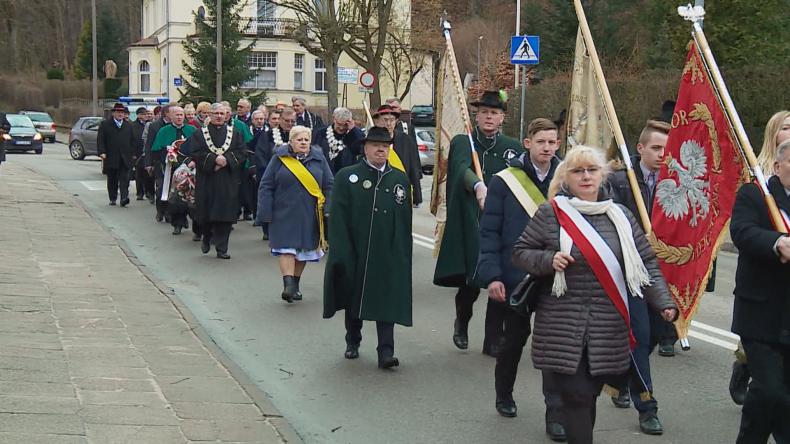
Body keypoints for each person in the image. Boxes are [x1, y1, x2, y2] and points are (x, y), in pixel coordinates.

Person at [511, 146, 678, 444]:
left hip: (606, 326)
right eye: (578, 171)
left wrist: (663, 303)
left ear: (603, 175)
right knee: (575, 396)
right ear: (567, 178)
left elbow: (646, 262)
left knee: (587, 397)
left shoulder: (621, 216)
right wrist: (549, 260)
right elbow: (521, 253)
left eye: (592, 170)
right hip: (562, 325)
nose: (586, 176)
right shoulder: (551, 213)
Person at [476, 118, 565, 441]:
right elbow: (489, 232)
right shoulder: (504, 181)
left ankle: (554, 413)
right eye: (541, 142)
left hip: (556, 276)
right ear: (527, 143)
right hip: (516, 276)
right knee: (513, 342)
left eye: (552, 142)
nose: (547, 148)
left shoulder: (565, 179)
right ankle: (504, 393)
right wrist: (492, 277)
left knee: (553, 348)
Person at [434, 90, 524, 357]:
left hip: (503, 224)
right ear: (476, 115)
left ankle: (493, 339)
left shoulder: (513, 148)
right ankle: (462, 321)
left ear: (502, 118)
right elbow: (461, 169)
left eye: (494, 113)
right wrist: (478, 186)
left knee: (501, 281)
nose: (488, 117)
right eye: (484, 112)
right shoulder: (465, 142)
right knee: (472, 282)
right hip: (473, 219)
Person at [323, 126, 413, 369]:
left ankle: (386, 351)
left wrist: (403, 254)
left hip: (387, 251)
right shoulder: (347, 176)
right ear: (365, 147)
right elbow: (339, 218)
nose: (381, 149)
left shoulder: (399, 179)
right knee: (355, 298)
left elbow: (404, 223)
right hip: (356, 248)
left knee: (387, 301)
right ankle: (353, 339)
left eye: (385, 145)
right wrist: (341, 251)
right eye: (375, 145)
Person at [606, 119, 672, 434]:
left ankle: (618, 379)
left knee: (658, 335)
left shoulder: (676, 183)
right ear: (641, 148)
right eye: (657, 148)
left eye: (667, 149)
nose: (663, 155)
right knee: (641, 337)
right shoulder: (620, 181)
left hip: (664, 275)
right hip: (631, 273)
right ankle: (647, 406)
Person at [730, 139, 790, 444]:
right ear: (778, 167)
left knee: (768, 395)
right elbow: (742, 231)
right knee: (772, 391)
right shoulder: (755, 195)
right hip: (760, 313)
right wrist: (776, 242)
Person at [257, 125, 333, 302]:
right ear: (291, 142)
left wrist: (329, 207)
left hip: (310, 214)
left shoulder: (318, 159)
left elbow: (329, 184)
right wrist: (265, 212)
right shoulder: (279, 159)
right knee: (286, 249)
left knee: (303, 250)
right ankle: (288, 285)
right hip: (283, 212)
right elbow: (266, 185)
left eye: (306, 139)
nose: (303, 142)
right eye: (299, 139)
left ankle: (295, 284)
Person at [188, 103, 248, 259]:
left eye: (222, 113)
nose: (219, 116)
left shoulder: (235, 133)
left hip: (228, 179)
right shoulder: (200, 134)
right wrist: (214, 160)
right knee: (207, 213)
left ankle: (222, 248)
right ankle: (206, 237)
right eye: (216, 113)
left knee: (225, 214)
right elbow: (195, 152)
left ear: (227, 115)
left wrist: (226, 160)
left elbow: (242, 153)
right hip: (207, 179)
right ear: (210, 114)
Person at [150, 106, 197, 235]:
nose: (179, 117)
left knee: (191, 197)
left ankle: (195, 224)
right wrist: (168, 157)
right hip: (171, 168)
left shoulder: (192, 130)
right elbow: (156, 149)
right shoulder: (164, 131)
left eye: (181, 115)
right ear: (170, 116)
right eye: (176, 115)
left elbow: (198, 148)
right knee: (176, 198)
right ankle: (177, 223)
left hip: (190, 169)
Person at [255, 108, 295, 240]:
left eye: (292, 121)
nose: (289, 123)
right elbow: (260, 154)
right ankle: (267, 229)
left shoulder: (298, 136)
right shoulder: (268, 135)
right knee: (270, 203)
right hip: (272, 175)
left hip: (293, 177)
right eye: (287, 120)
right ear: (280, 120)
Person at [373, 104, 422, 205]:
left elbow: (413, 166)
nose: (389, 123)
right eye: (385, 120)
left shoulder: (405, 140)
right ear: (377, 121)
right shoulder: (370, 141)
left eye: (392, 120)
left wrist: (416, 195)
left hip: (401, 190)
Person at [97, 103, 139, 207]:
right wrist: (102, 152)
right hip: (111, 156)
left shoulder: (128, 125)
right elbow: (100, 140)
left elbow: (133, 140)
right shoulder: (105, 124)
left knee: (124, 179)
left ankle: (124, 198)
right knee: (112, 179)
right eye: (118, 112)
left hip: (125, 157)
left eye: (122, 112)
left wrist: (133, 153)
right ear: (113, 113)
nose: (121, 114)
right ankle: (113, 198)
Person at [144, 103, 175, 221]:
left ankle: (169, 213)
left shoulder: (179, 126)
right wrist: (148, 163)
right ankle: (160, 210)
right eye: (174, 113)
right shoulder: (155, 126)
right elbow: (149, 145)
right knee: (161, 187)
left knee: (173, 189)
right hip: (160, 162)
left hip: (175, 162)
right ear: (167, 114)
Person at [312, 107, 364, 174]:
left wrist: (353, 130)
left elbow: (361, 149)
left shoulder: (354, 134)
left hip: (347, 174)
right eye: (339, 124)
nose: (341, 128)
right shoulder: (321, 133)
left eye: (345, 125)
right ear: (334, 119)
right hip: (324, 174)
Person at [132, 107, 154, 201]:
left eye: (147, 114)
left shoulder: (151, 125)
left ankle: (149, 192)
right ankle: (140, 193)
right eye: (144, 114)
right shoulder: (133, 125)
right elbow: (132, 140)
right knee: (139, 174)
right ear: (139, 115)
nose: (146, 116)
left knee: (148, 174)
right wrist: (133, 153)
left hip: (148, 152)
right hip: (138, 152)